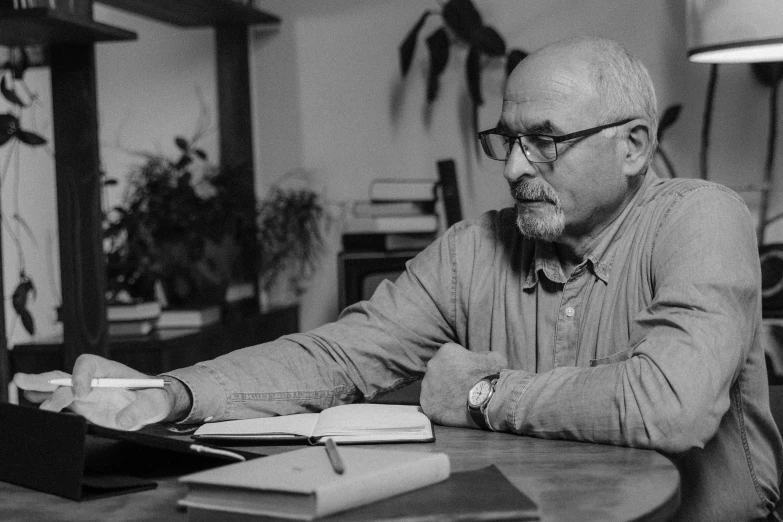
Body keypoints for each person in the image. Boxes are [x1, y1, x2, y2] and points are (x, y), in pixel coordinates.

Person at [14, 36, 783, 520]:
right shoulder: (471, 248)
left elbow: (670, 408)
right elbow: (337, 356)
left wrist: (481, 394)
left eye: (544, 141)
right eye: (507, 140)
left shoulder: (700, 218)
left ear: (634, 146)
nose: (515, 168)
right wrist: (168, 393)